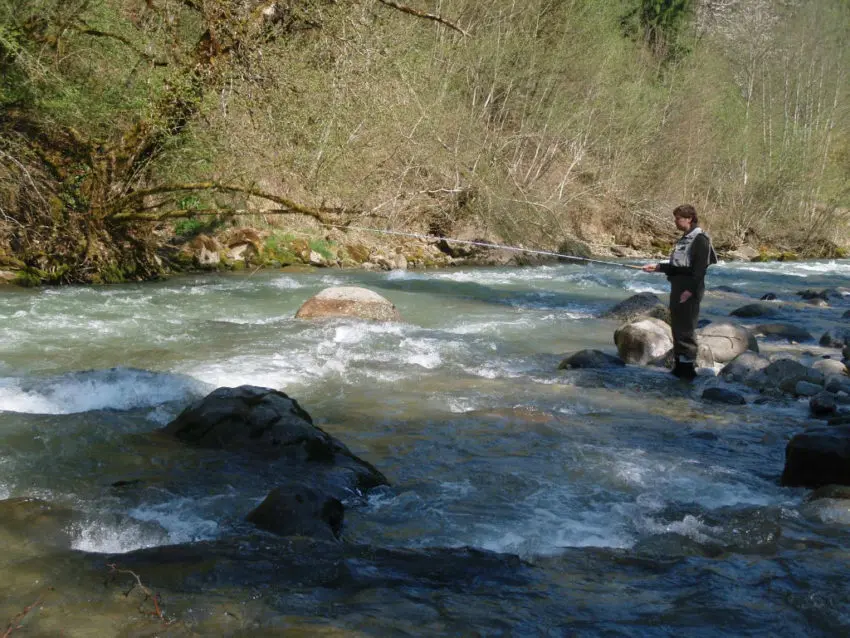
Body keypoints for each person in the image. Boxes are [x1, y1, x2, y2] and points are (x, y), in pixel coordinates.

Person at [642, 204, 717, 380]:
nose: (675, 221)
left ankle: (687, 370)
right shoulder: (685, 239)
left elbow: (699, 271)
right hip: (678, 287)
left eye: (678, 218)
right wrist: (658, 267)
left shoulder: (700, 240)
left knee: (686, 329)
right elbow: (678, 267)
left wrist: (689, 292)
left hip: (689, 291)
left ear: (689, 218)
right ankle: (678, 367)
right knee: (677, 328)